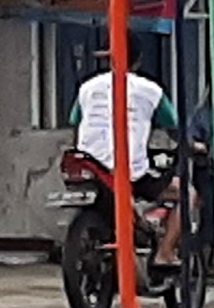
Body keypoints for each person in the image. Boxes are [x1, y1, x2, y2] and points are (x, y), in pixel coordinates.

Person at [70, 39, 183, 264]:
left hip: (87, 163)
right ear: (139, 60)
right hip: (127, 168)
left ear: (109, 57)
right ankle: (166, 252)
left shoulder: (87, 87)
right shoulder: (151, 90)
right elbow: (173, 124)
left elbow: (75, 120)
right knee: (188, 195)